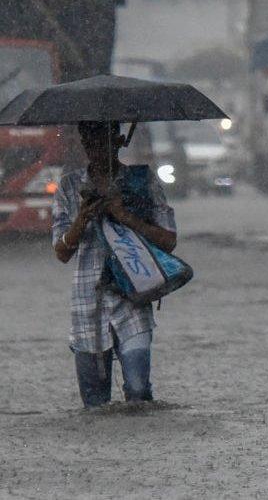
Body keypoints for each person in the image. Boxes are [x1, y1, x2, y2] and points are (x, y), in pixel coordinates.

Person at [52, 121, 177, 408]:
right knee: (95, 405)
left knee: (138, 389)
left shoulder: (141, 182)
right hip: (88, 307)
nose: (95, 149)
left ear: (119, 140)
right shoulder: (70, 187)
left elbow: (169, 240)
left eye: (102, 140)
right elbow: (61, 251)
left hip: (132, 297)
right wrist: (81, 220)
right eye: (89, 141)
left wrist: (125, 216)